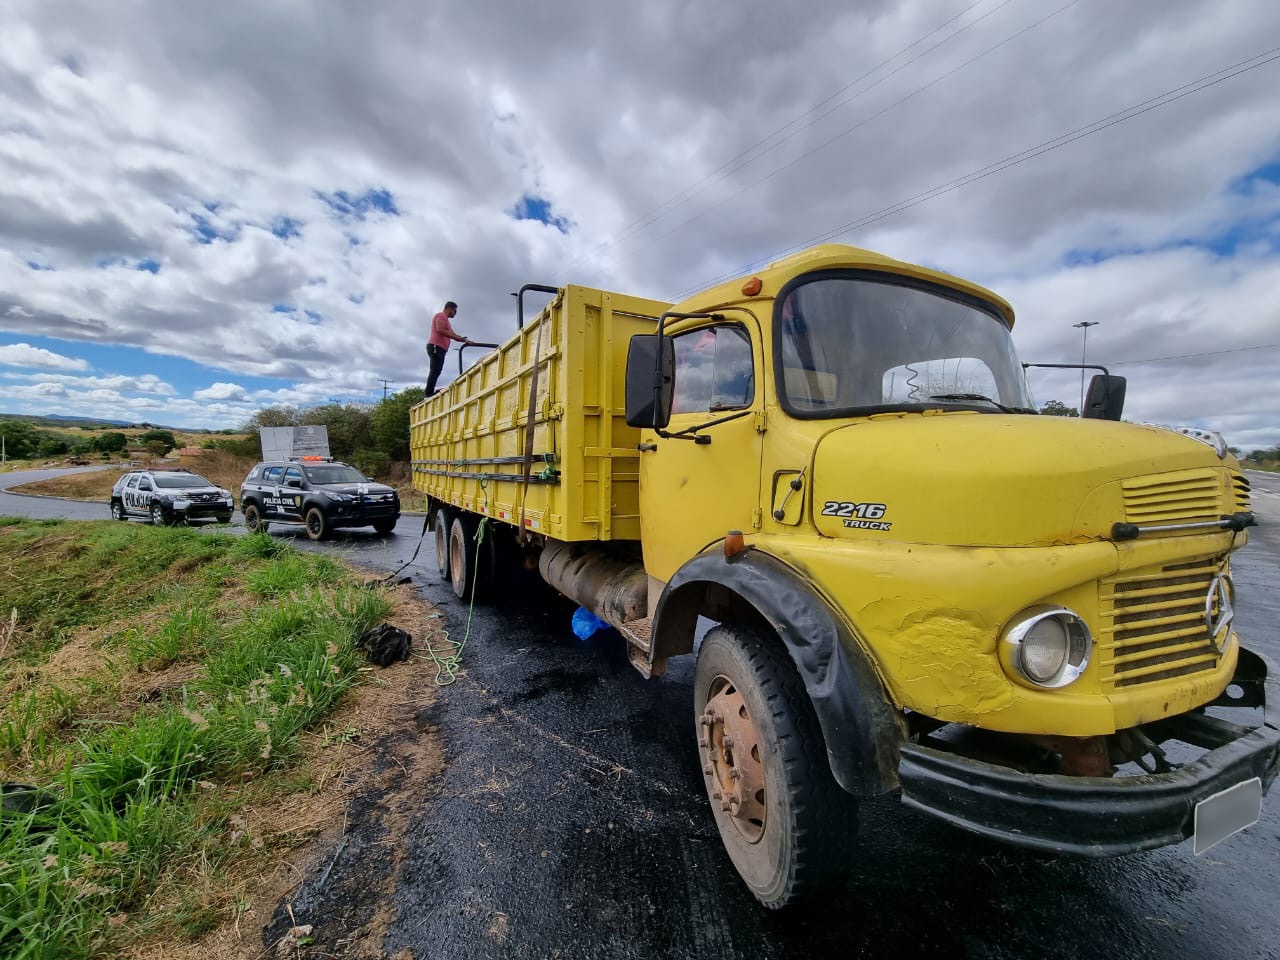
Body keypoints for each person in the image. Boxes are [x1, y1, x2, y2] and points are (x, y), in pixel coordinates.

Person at [425, 301, 473, 396]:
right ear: (450, 308)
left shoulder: (447, 321)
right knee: (435, 370)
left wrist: (465, 340)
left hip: (440, 348)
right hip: (435, 346)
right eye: (455, 311)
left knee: (437, 370)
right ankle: (428, 393)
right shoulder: (441, 315)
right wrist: (456, 337)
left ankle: (429, 392)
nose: (455, 313)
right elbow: (440, 329)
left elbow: (454, 335)